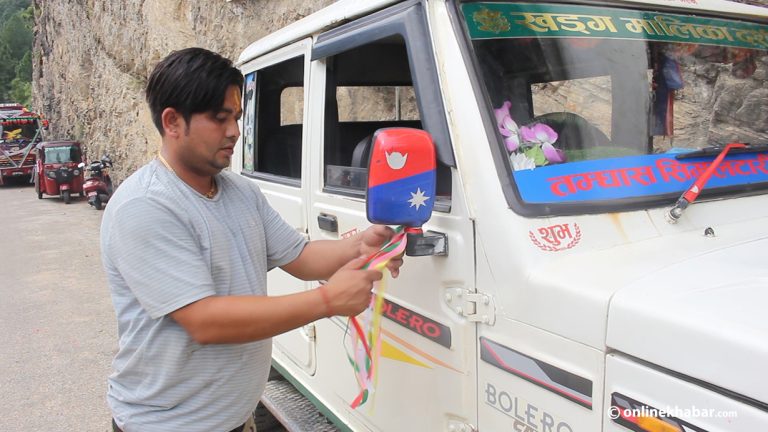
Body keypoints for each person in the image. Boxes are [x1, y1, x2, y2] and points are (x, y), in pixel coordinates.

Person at [100, 47, 403, 432]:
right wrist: (328, 300)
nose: (234, 132)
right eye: (219, 118)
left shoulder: (240, 193)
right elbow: (205, 321)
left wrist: (360, 246)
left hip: (234, 418)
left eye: (237, 117)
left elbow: (302, 256)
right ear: (173, 122)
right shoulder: (146, 206)